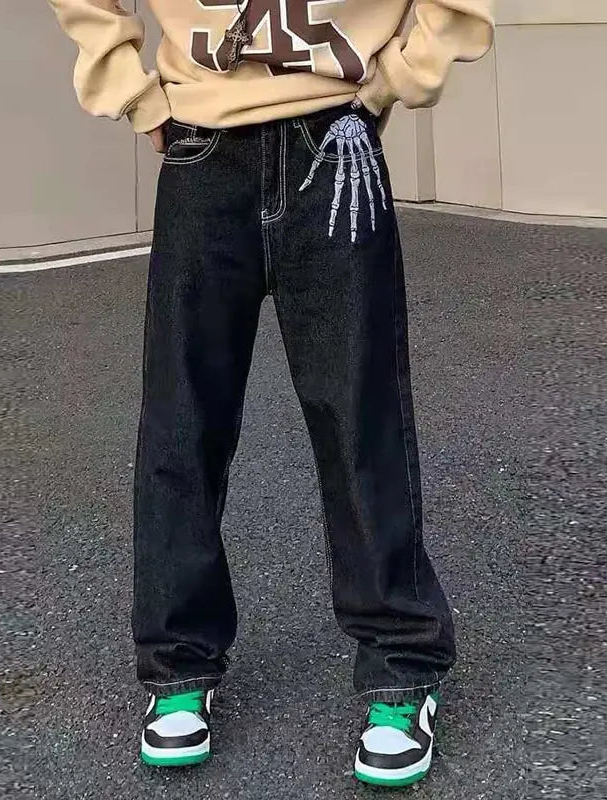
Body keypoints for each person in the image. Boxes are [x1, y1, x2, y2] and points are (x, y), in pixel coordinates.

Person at [46, 0, 493, 787]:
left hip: (336, 135)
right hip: (201, 144)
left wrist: (394, 79)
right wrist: (135, 92)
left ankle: (400, 665)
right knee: (183, 420)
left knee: (360, 416)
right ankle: (178, 662)